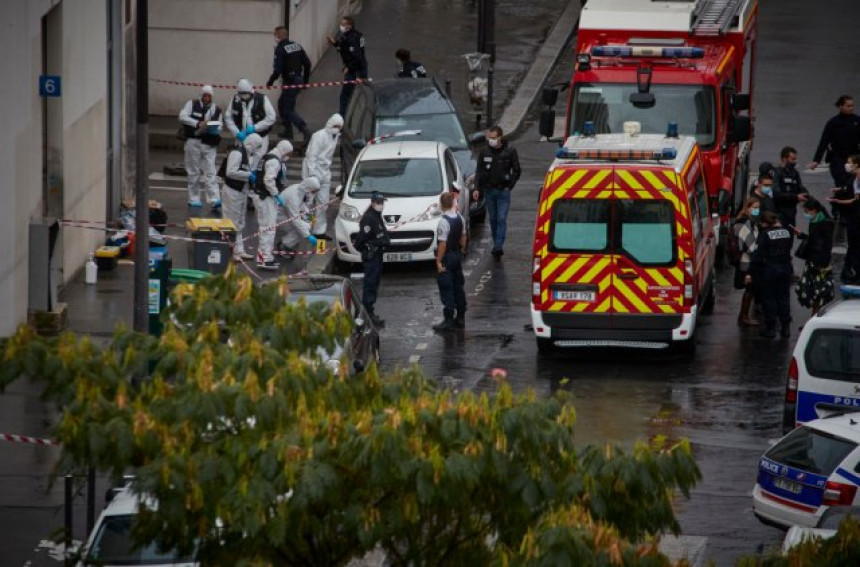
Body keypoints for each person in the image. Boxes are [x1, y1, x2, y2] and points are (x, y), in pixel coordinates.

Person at [474, 126, 521, 258]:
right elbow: (479, 171)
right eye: (490, 137)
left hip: (503, 191)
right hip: (489, 191)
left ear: (500, 137)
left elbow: (517, 170)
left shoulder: (510, 151)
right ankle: (496, 243)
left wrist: (509, 185)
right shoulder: (484, 153)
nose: (491, 140)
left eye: (494, 138)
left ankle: (498, 246)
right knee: (493, 219)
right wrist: (477, 188)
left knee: (501, 218)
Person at [178, 85, 223, 211]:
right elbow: (182, 116)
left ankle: (214, 199)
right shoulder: (192, 104)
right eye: (205, 95)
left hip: (209, 144)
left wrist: (212, 128)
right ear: (201, 95)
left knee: (210, 171)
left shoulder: (217, 110)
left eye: (209, 96)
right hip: (193, 142)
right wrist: (197, 123)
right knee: (193, 171)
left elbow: (220, 126)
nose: (207, 98)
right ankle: (194, 198)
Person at [251, 140, 293, 270]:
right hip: (267, 198)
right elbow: (269, 180)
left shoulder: (266, 157)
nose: (288, 156)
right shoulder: (274, 161)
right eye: (288, 153)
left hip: (262, 196)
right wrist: (276, 194)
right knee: (268, 229)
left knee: (265, 228)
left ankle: (263, 257)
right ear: (284, 150)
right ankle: (266, 259)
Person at [751, 211, 794, 338]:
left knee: (769, 299)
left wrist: (751, 271)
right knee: (783, 298)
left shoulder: (765, 234)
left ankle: (770, 328)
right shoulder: (786, 232)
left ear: (765, 223)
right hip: (785, 268)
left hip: (770, 269)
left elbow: (758, 254)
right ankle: (785, 327)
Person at [266, 26, 312, 143]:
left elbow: (278, 69)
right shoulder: (296, 46)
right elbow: (307, 63)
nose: (275, 38)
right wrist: (305, 81)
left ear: (279, 36)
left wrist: (270, 81)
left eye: (275, 35)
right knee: (281, 104)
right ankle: (288, 130)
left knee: (287, 109)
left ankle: (304, 130)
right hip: (298, 80)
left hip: (290, 81)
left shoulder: (280, 49)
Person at [223, 133, 264, 260]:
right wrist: (248, 175)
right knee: (231, 222)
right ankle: (230, 250)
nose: (256, 150)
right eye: (256, 146)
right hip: (232, 191)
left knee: (240, 222)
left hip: (241, 192)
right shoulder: (238, 153)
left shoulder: (246, 154)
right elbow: (230, 172)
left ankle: (239, 249)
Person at [302, 114, 343, 239]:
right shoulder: (319, 136)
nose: (337, 128)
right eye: (335, 126)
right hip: (313, 170)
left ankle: (319, 231)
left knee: (323, 203)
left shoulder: (335, 137)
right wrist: (312, 175)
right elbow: (311, 156)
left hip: (325, 171)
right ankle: (304, 228)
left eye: (339, 127)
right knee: (307, 202)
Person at [432, 192, 468, 333]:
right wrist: (462, 250)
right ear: (453, 203)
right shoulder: (460, 217)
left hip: (447, 257)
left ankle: (448, 320)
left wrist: (439, 261)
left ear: (441, 205)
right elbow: (463, 236)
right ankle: (460, 317)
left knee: (446, 286)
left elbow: (442, 244)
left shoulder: (443, 221)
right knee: (458, 286)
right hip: (457, 255)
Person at [792, 198, 835, 316]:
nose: (806, 215)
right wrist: (802, 235)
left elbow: (826, 245)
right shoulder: (815, 221)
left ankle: (815, 318)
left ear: (814, 210)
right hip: (812, 260)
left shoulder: (825, 224)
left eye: (807, 211)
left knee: (819, 292)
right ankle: (814, 317)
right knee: (812, 291)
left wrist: (823, 264)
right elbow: (813, 240)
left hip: (819, 263)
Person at [353, 191, 389, 327]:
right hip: (372, 256)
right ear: (373, 203)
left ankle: (369, 311)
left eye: (382, 203)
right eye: (378, 203)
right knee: (370, 284)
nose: (381, 205)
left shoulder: (376, 216)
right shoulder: (369, 218)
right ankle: (367, 314)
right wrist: (367, 250)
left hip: (377, 255)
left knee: (374, 283)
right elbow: (361, 239)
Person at [810, 95, 860, 187]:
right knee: (841, 182)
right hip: (838, 158)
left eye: (852, 106)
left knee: (854, 182)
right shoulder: (833, 123)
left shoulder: (857, 121)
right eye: (848, 106)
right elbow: (824, 142)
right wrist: (816, 160)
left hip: (853, 157)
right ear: (840, 106)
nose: (851, 108)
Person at [828, 154, 860, 283]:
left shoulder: (858, 176)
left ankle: (852, 273)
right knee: (854, 246)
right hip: (854, 216)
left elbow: (855, 201)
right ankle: (850, 272)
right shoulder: (853, 177)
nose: (847, 164)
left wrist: (837, 201)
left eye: (849, 162)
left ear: (856, 164)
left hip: (856, 218)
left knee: (855, 246)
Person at [327, 16, 368, 117]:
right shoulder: (350, 35)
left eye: (343, 24)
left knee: (345, 96)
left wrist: (349, 67)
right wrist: (335, 43)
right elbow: (344, 49)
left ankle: (342, 119)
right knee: (353, 95)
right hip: (358, 69)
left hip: (355, 70)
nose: (341, 26)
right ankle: (346, 117)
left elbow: (357, 57)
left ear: (349, 26)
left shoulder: (352, 38)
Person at [225, 78, 277, 155]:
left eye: (246, 94)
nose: (244, 97)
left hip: (260, 137)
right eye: (241, 94)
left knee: (257, 160)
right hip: (242, 137)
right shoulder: (235, 100)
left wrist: (256, 127)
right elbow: (228, 118)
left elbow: (271, 117)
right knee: (241, 160)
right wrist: (236, 132)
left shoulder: (261, 99)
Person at [732, 198, 761, 326]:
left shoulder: (748, 222)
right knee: (750, 288)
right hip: (746, 262)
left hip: (746, 261)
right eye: (754, 207)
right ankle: (743, 316)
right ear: (747, 208)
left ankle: (743, 316)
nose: (756, 210)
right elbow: (750, 247)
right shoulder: (744, 224)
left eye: (758, 207)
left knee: (750, 289)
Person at [275, 177, 321, 257]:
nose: (313, 193)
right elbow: (295, 220)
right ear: (309, 188)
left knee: (305, 226)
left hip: (284, 214)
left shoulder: (299, 189)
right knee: (302, 229)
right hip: (278, 217)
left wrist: (310, 216)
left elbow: (301, 205)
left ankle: (286, 242)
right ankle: (283, 246)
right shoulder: (294, 197)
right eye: (313, 191)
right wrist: (308, 236)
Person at [773, 146, 808, 230]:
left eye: (795, 159)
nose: (794, 162)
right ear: (784, 159)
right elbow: (777, 194)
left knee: (790, 237)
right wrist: (795, 197)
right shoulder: (777, 173)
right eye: (792, 159)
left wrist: (805, 194)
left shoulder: (795, 173)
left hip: (792, 211)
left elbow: (800, 187)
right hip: (780, 211)